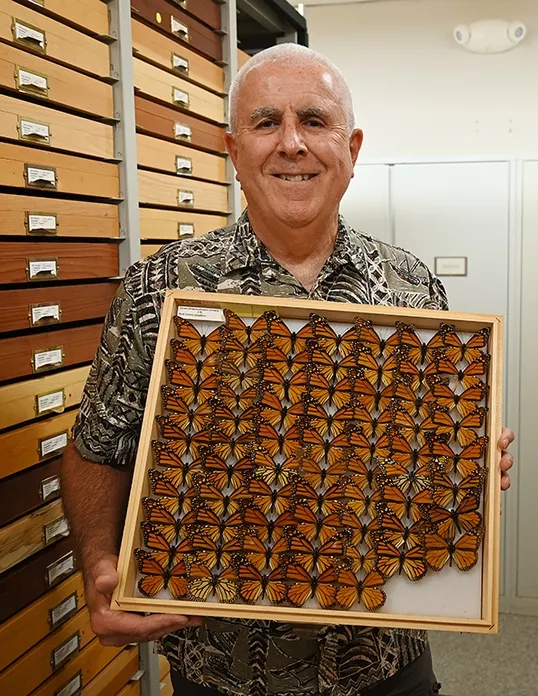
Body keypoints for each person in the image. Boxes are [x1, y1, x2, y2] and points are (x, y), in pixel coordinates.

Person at [60, 44, 515, 696]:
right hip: (224, 675)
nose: (292, 143)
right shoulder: (161, 288)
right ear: (233, 150)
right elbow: (95, 448)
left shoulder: (413, 290)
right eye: (267, 122)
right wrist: (99, 561)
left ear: (352, 148)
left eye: (315, 121)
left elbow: (431, 463)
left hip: (387, 667)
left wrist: (464, 465)